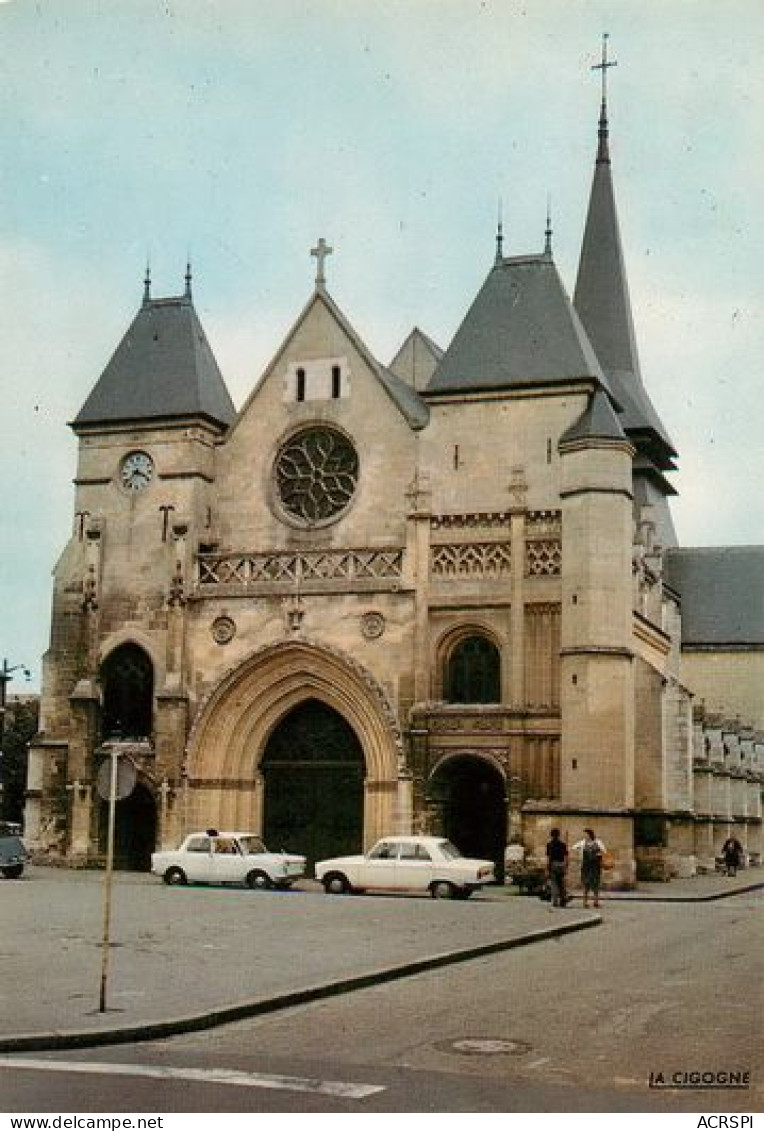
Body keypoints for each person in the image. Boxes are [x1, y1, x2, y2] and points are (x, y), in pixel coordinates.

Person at [571, 828, 606, 907]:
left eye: (586, 834)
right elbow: (573, 848)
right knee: (586, 884)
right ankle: (585, 902)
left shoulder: (598, 842)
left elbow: (604, 851)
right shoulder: (582, 843)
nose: (584, 836)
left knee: (595, 884)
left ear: (590, 834)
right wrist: (578, 855)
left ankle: (596, 901)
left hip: (595, 866)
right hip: (586, 866)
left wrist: (599, 854)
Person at [545, 828, 568, 908]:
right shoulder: (563, 844)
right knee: (561, 883)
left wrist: (547, 868)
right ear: (559, 835)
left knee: (554, 883)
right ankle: (563, 900)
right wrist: (566, 866)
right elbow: (566, 856)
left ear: (551, 835)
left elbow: (548, 858)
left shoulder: (549, 845)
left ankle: (555, 901)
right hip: (561, 864)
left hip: (553, 864)